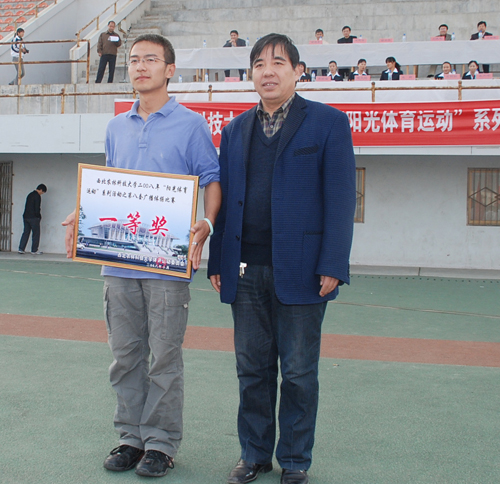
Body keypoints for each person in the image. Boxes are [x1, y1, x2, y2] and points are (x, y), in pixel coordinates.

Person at [63, 33, 221, 478]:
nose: (140, 66)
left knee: (165, 357)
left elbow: (211, 177)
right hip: (117, 261)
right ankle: (130, 438)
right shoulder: (117, 126)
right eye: (134, 60)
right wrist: (82, 211)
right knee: (125, 354)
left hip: (167, 263)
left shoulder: (191, 125)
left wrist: (207, 223)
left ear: (169, 70)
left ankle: (161, 444)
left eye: (151, 59)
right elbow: (112, 185)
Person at [208, 33, 356, 484]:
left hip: (304, 270)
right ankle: (254, 455)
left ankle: (295, 459)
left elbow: (341, 198)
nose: (267, 71)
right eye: (258, 64)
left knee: (297, 373)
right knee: (251, 370)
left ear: (298, 71)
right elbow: (225, 202)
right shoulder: (234, 130)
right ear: (250, 74)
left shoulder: (328, 123)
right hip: (245, 269)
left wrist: (333, 262)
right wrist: (217, 260)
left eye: (277, 63)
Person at [18, 184, 46, 255]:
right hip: (34, 218)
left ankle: (21, 249)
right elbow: (37, 208)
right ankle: (34, 250)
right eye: (42, 192)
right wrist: (38, 216)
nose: (42, 193)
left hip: (26, 217)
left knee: (26, 232)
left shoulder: (30, 194)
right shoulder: (37, 196)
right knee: (36, 234)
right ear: (40, 190)